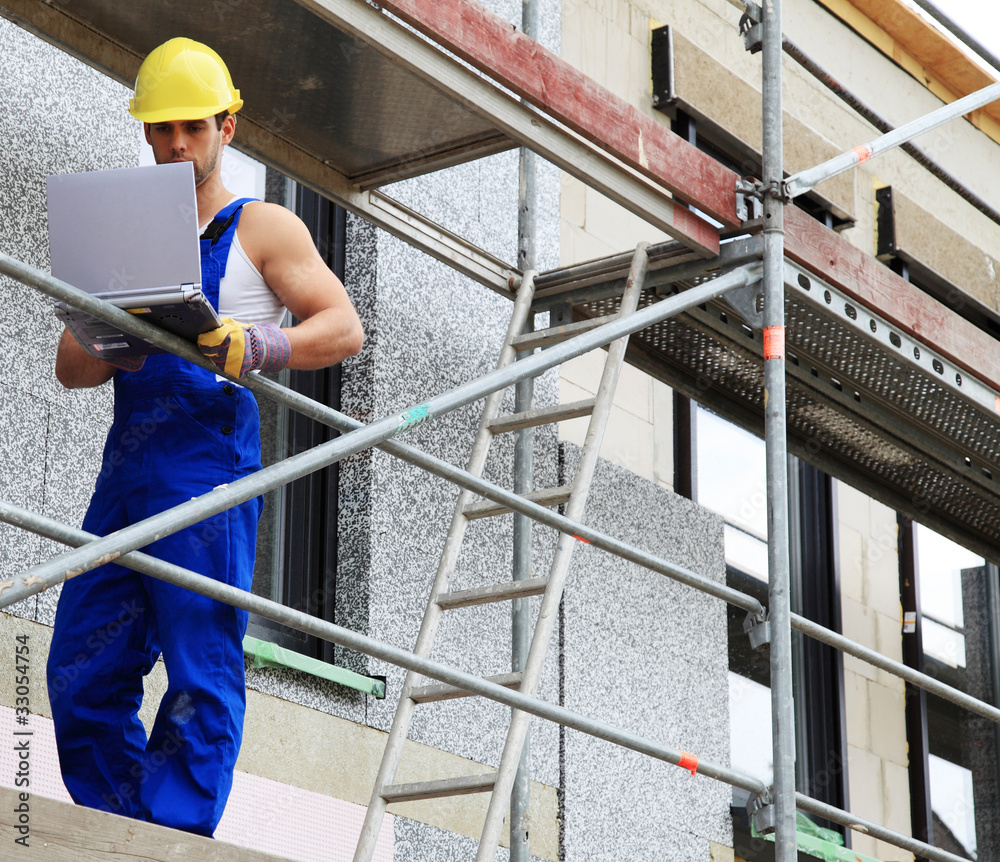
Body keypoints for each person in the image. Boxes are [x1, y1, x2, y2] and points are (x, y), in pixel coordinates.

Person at [45, 37, 363, 837]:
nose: (175, 145)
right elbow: (71, 372)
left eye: (191, 127)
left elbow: (344, 329)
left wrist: (259, 346)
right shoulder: (124, 237)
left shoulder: (262, 227)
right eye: (160, 130)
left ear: (228, 126)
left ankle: (175, 838)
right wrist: (120, 325)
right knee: (80, 668)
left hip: (206, 471)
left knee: (198, 665)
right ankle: (127, 834)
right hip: (126, 475)